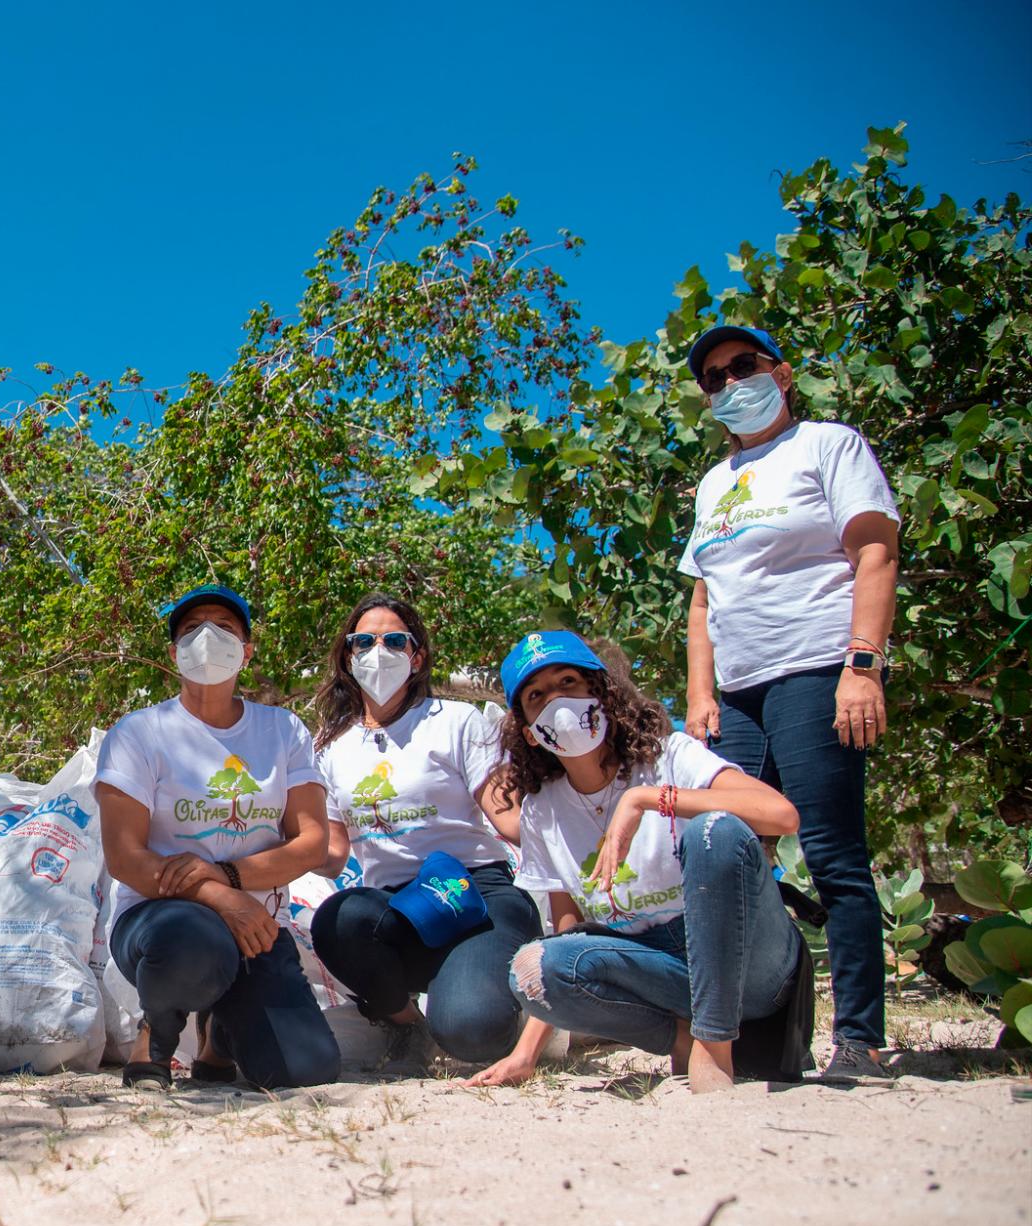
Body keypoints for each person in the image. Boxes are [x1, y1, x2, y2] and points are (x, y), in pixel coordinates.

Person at [679, 325, 900, 1084]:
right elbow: (703, 601)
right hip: (734, 696)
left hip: (814, 671)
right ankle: (750, 1035)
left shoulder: (830, 446)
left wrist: (862, 666)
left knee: (835, 857)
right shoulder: (713, 484)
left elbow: (875, 549)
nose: (731, 382)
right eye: (714, 377)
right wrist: (700, 694)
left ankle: (861, 1039)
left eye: (744, 366)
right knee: (727, 858)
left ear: (782, 372)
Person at [466, 631, 802, 1095]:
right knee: (533, 970)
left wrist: (648, 799)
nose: (556, 701)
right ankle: (683, 1035)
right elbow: (570, 932)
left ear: (601, 694)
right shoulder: (542, 810)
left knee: (717, 830)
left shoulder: (667, 757)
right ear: (528, 730)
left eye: (568, 682)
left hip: (747, 958)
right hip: (660, 971)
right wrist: (525, 1054)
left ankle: (713, 1045)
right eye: (537, 696)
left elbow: (781, 815)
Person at [96, 584, 339, 1090]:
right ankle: (154, 1039)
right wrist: (220, 895)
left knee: (304, 1069)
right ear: (173, 654)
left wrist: (230, 876)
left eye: (225, 629)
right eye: (191, 630)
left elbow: (312, 842)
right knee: (191, 938)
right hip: (159, 920)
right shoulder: (138, 733)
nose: (208, 639)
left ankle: (217, 1040)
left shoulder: (282, 731)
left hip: (259, 928)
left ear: (247, 651)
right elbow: (124, 857)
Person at [307, 594, 535, 1069]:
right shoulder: (331, 749)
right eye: (363, 641)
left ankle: (500, 1000)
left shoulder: (457, 721)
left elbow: (508, 817)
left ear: (417, 655)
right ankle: (406, 1024)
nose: (378, 651)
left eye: (394, 640)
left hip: (476, 898)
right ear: (347, 657)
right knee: (336, 919)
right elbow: (330, 854)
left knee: (473, 1035)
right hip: (394, 913)